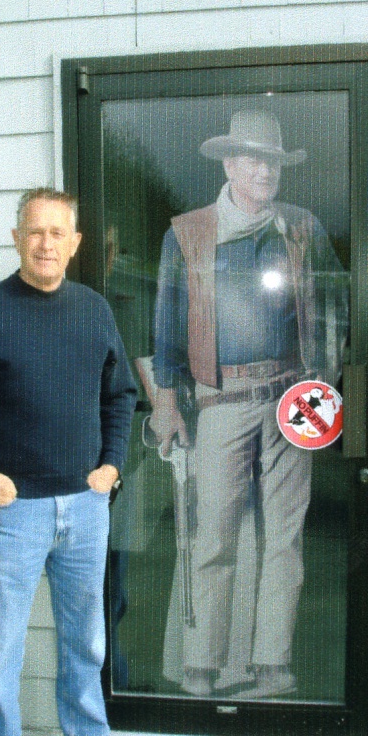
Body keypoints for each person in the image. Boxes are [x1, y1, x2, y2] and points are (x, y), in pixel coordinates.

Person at [0, 187, 137, 736]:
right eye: (34, 231)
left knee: (87, 644)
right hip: (10, 516)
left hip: (86, 510)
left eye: (57, 233)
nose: (45, 244)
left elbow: (122, 394)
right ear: (16, 238)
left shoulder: (94, 309)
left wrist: (110, 466)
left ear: (76, 243)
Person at [150, 110, 347, 699]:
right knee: (214, 535)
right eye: (254, 160)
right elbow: (165, 326)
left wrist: (329, 381)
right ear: (230, 165)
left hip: (293, 401)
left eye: (274, 162)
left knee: (284, 537)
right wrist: (167, 402)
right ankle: (203, 666)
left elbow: (340, 304)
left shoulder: (302, 227)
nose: (265, 171)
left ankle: (271, 665)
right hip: (221, 401)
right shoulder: (188, 232)